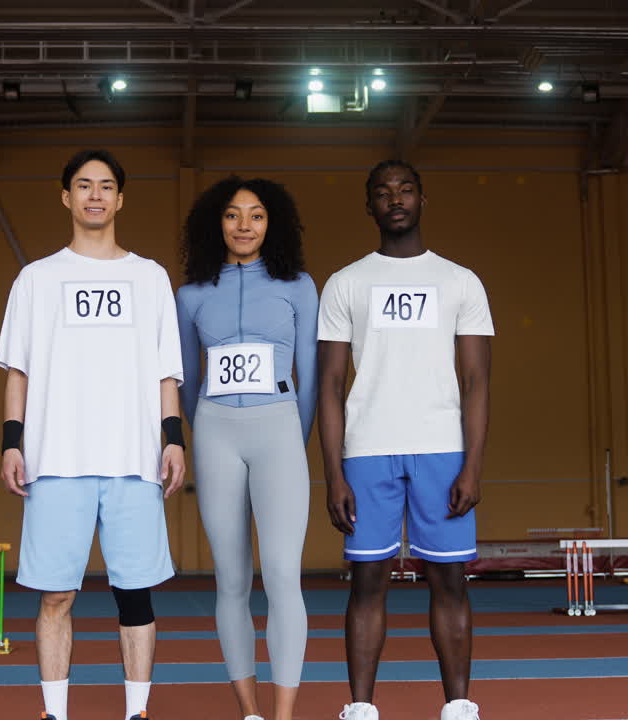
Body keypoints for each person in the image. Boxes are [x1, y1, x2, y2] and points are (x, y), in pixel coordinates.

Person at [0, 149, 187, 720]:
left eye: (106, 186)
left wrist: (172, 437)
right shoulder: (37, 279)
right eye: (84, 185)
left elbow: (165, 371)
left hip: (134, 459)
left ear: (120, 199)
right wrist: (11, 441)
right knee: (57, 595)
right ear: (66, 197)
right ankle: (56, 713)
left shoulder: (149, 277)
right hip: (56, 460)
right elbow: (18, 372)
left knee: (135, 595)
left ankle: (137, 712)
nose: (95, 195)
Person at [317, 160, 493, 720]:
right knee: (367, 580)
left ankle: (459, 705)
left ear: (422, 198)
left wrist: (472, 467)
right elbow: (329, 384)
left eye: (406, 189)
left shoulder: (460, 281)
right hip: (366, 452)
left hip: (442, 449)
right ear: (368, 205)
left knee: (450, 580)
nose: (395, 199)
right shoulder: (346, 283)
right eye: (383, 192)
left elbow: (476, 381)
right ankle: (361, 708)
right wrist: (333, 474)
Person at [176, 177, 318, 720]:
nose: (243, 226)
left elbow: (308, 371)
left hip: (280, 426)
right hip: (215, 429)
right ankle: (249, 711)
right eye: (233, 215)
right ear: (216, 222)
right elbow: (188, 380)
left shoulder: (299, 285)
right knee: (231, 578)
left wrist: (290, 434)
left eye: (256, 216)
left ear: (271, 223)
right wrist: (206, 428)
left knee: (282, 573)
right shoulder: (190, 295)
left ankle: (283, 714)